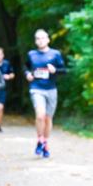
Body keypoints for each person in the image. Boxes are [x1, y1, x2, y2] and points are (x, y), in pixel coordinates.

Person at [25, 29, 66, 158]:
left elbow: (63, 70)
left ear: (48, 39)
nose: (40, 40)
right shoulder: (31, 54)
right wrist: (27, 74)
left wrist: (55, 70)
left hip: (51, 89)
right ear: (35, 41)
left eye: (43, 38)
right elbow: (26, 67)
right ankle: (40, 139)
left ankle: (45, 142)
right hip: (36, 88)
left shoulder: (55, 54)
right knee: (40, 116)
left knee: (48, 118)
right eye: (38, 38)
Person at [0, 46, 14, 132]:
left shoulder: (7, 63)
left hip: (3, 89)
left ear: (3, 55)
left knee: (0, 108)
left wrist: (8, 76)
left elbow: (12, 74)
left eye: (0, 54)